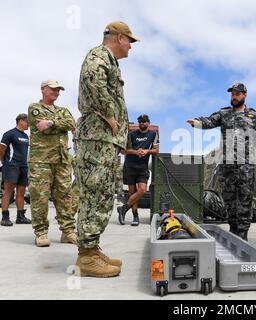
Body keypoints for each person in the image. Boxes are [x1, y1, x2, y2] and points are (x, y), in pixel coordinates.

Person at [74, 21, 140, 278]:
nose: (130, 47)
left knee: (102, 193)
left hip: (103, 140)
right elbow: (93, 80)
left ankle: (90, 249)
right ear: (119, 37)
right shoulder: (99, 55)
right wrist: (110, 115)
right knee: (95, 194)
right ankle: (86, 257)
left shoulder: (109, 60)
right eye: (130, 42)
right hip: (97, 137)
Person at [187, 83, 256, 241]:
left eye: (237, 94)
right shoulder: (224, 113)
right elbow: (210, 121)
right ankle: (233, 228)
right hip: (227, 163)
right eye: (232, 94)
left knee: (245, 198)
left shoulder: (253, 115)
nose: (234, 97)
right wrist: (197, 122)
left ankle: (243, 234)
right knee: (229, 198)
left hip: (246, 164)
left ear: (245, 95)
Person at [28, 80, 77, 247]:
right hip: (40, 161)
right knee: (40, 198)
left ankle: (68, 232)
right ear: (43, 89)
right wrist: (57, 125)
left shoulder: (63, 110)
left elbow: (71, 123)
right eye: (53, 89)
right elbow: (42, 128)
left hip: (62, 160)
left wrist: (51, 122)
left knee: (65, 197)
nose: (56, 92)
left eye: (58, 90)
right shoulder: (35, 108)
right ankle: (41, 233)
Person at [117, 114, 160, 226]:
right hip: (130, 166)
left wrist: (146, 151)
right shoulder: (131, 134)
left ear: (148, 123)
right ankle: (135, 216)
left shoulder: (153, 134)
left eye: (144, 121)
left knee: (142, 190)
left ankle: (123, 208)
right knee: (132, 193)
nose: (142, 123)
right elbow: (123, 151)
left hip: (142, 167)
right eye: (140, 121)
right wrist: (136, 152)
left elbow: (156, 150)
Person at [0, 114, 31, 227]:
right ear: (21, 121)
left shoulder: (26, 136)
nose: (29, 124)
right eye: (28, 122)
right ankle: (5, 217)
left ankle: (20, 216)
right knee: (8, 191)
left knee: (21, 192)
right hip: (11, 166)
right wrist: (5, 163)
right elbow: (1, 149)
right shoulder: (9, 134)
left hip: (23, 166)